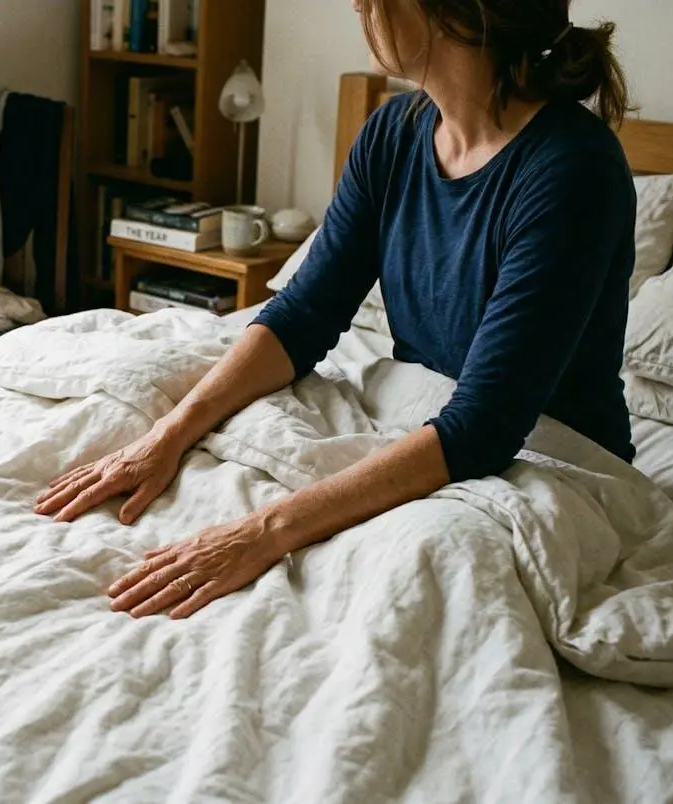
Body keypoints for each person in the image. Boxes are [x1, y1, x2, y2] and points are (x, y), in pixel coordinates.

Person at [35, 0, 637, 619]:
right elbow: (302, 317)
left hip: (553, 455)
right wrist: (167, 436)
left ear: (455, 11)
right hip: (427, 418)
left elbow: (485, 426)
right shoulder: (393, 133)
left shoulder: (571, 169)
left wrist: (262, 533)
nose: (358, 4)